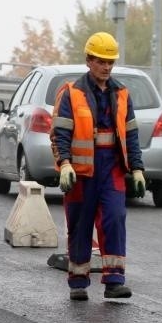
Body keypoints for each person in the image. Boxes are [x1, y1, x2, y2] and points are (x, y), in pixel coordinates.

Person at [50, 31, 146, 301]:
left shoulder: (122, 94)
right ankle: (78, 280)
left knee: (115, 217)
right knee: (80, 224)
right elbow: (60, 133)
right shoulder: (71, 93)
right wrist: (65, 163)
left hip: (112, 168)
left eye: (110, 62)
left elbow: (132, 135)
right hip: (81, 172)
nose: (106, 67)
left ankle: (114, 279)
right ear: (89, 61)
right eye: (101, 61)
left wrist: (137, 168)